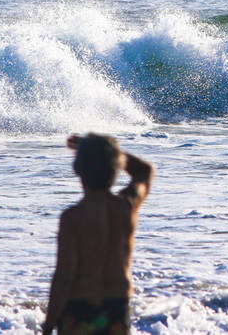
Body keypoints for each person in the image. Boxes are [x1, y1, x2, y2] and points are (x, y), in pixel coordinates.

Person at [42, 134, 155, 335]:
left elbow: (64, 277)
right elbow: (145, 171)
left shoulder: (72, 218)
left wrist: (48, 325)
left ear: (78, 169)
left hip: (78, 312)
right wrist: (112, 154)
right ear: (116, 168)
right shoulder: (126, 208)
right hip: (115, 309)